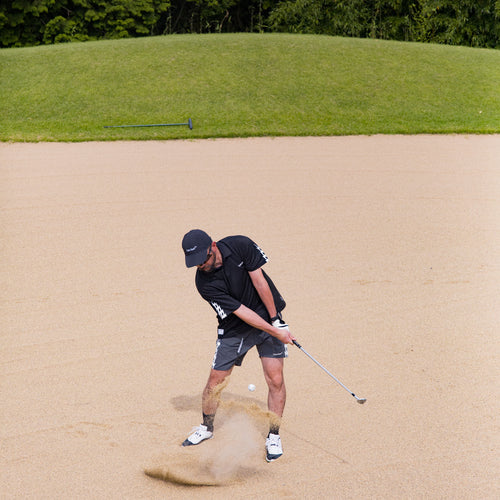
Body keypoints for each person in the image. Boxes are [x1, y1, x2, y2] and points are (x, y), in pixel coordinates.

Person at [181, 229, 296, 462]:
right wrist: (275, 331)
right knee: (215, 382)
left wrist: (276, 320)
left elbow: (259, 280)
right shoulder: (204, 283)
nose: (200, 266)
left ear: (212, 246)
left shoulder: (240, 245)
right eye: (195, 264)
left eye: (203, 260)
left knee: (275, 379)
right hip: (235, 327)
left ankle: (273, 435)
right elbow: (241, 312)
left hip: (267, 312)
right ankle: (207, 427)